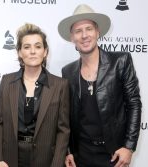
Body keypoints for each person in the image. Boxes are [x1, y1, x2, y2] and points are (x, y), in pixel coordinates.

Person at [58, 4, 142, 167]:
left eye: (88, 29)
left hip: (114, 156)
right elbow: (66, 117)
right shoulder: (68, 71)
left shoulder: (120, 61)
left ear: (97, 32)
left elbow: (134, 104)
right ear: (72, 37)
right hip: (81, 156)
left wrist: (129, 147)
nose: (84, 35)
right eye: (78, 31)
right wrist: (68, 151)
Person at [0, 23, 70, 167]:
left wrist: (57, 163)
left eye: (38, 46)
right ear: (19, 52)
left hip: (46, 159)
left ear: (45, 51)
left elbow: (63, 130)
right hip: (11, 158)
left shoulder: (60, 85)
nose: (32, 51)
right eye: (27, 47)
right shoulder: (7, 81)